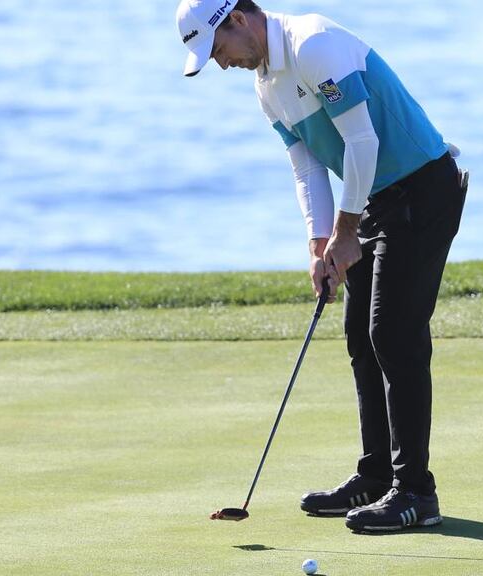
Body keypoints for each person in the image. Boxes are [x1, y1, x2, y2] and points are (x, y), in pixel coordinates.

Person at [177, 0, 467, 532]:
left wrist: (347, 231)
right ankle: (377, 477)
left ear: (238, 20)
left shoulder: (314, 46)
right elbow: (307, 164)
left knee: (393, 335)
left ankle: (415, 494)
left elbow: (362, 141)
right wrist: (321, 244)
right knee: (360, 336)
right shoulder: (266, 85)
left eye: (218, 50)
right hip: (376, 197)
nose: (221, 63)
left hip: (424, 187)